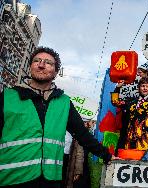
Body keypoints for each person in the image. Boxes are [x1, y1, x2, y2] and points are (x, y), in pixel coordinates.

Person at [0, 47, 115, 187]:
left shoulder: (64, 102)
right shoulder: (8, 97)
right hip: (11, 180)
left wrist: (107, 156)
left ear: (55, 73)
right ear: (30, 66)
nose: (41, 65)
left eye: (48, 62)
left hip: (50, 181)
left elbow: (83, 135)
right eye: (37, 61)